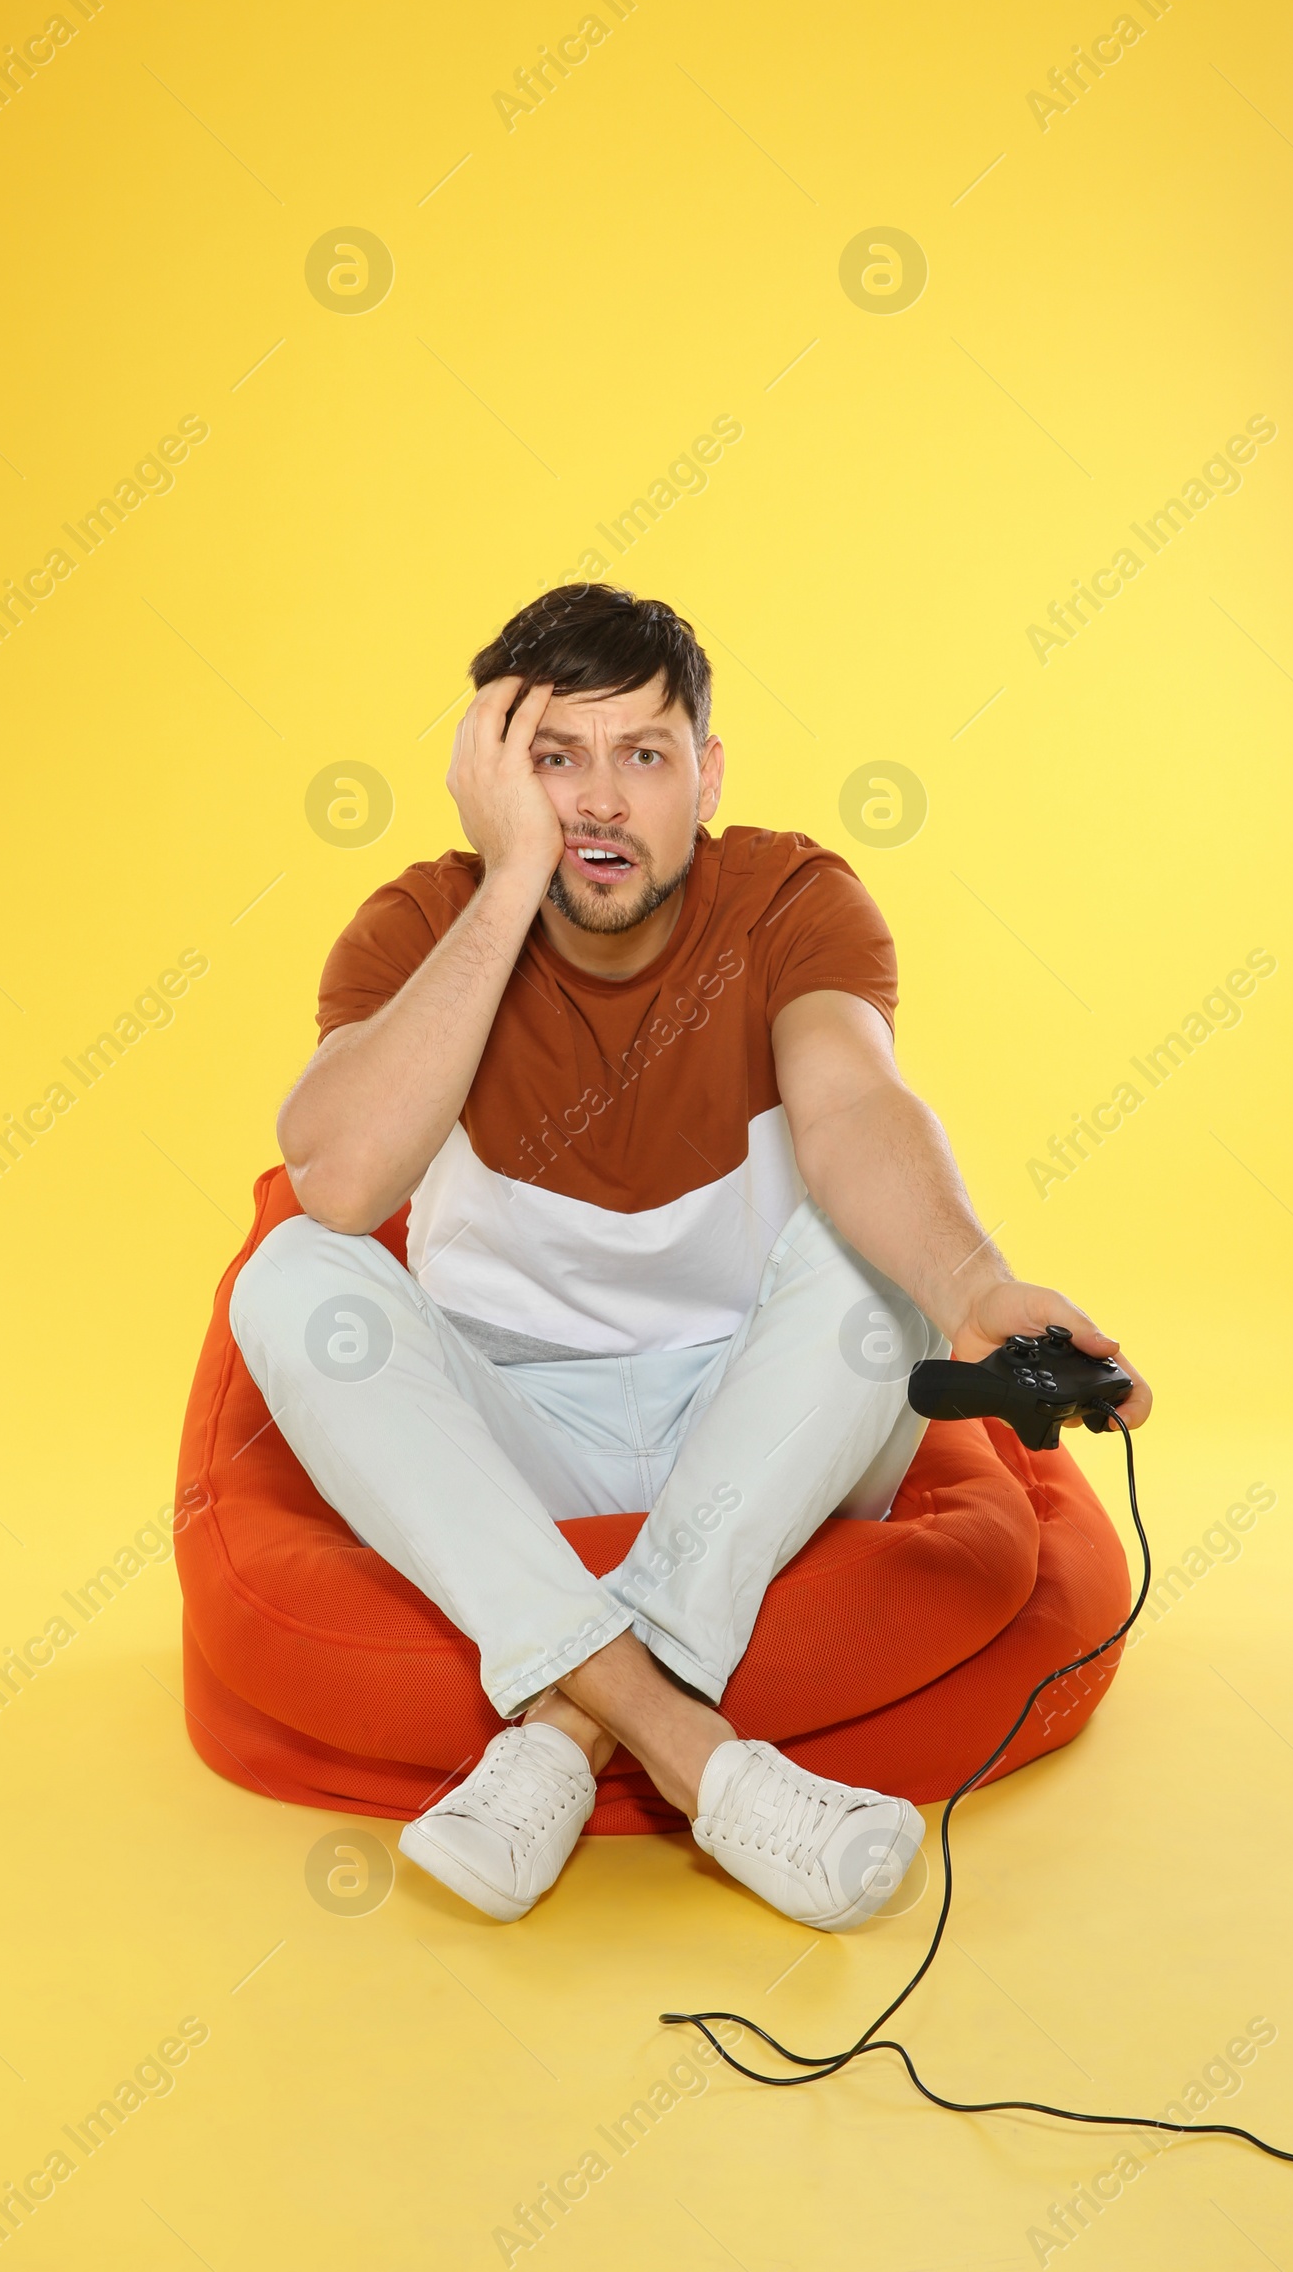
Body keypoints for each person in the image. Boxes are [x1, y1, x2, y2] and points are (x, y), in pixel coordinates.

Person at [230, 585, 1150, 1928]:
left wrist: (977, 1289)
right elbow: (344, 1177)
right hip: (514, 1424)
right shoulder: (420, 923)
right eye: (556, 759)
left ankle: (564, 1734)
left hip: (757, 1423)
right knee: (289, 1276)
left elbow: (854, 1109)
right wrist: (504, 883)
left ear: (706, 775)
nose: (599, 803)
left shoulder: (792, 899)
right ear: (490, 777)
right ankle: (700, 1763)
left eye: (642, 757)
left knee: (872, 1265)